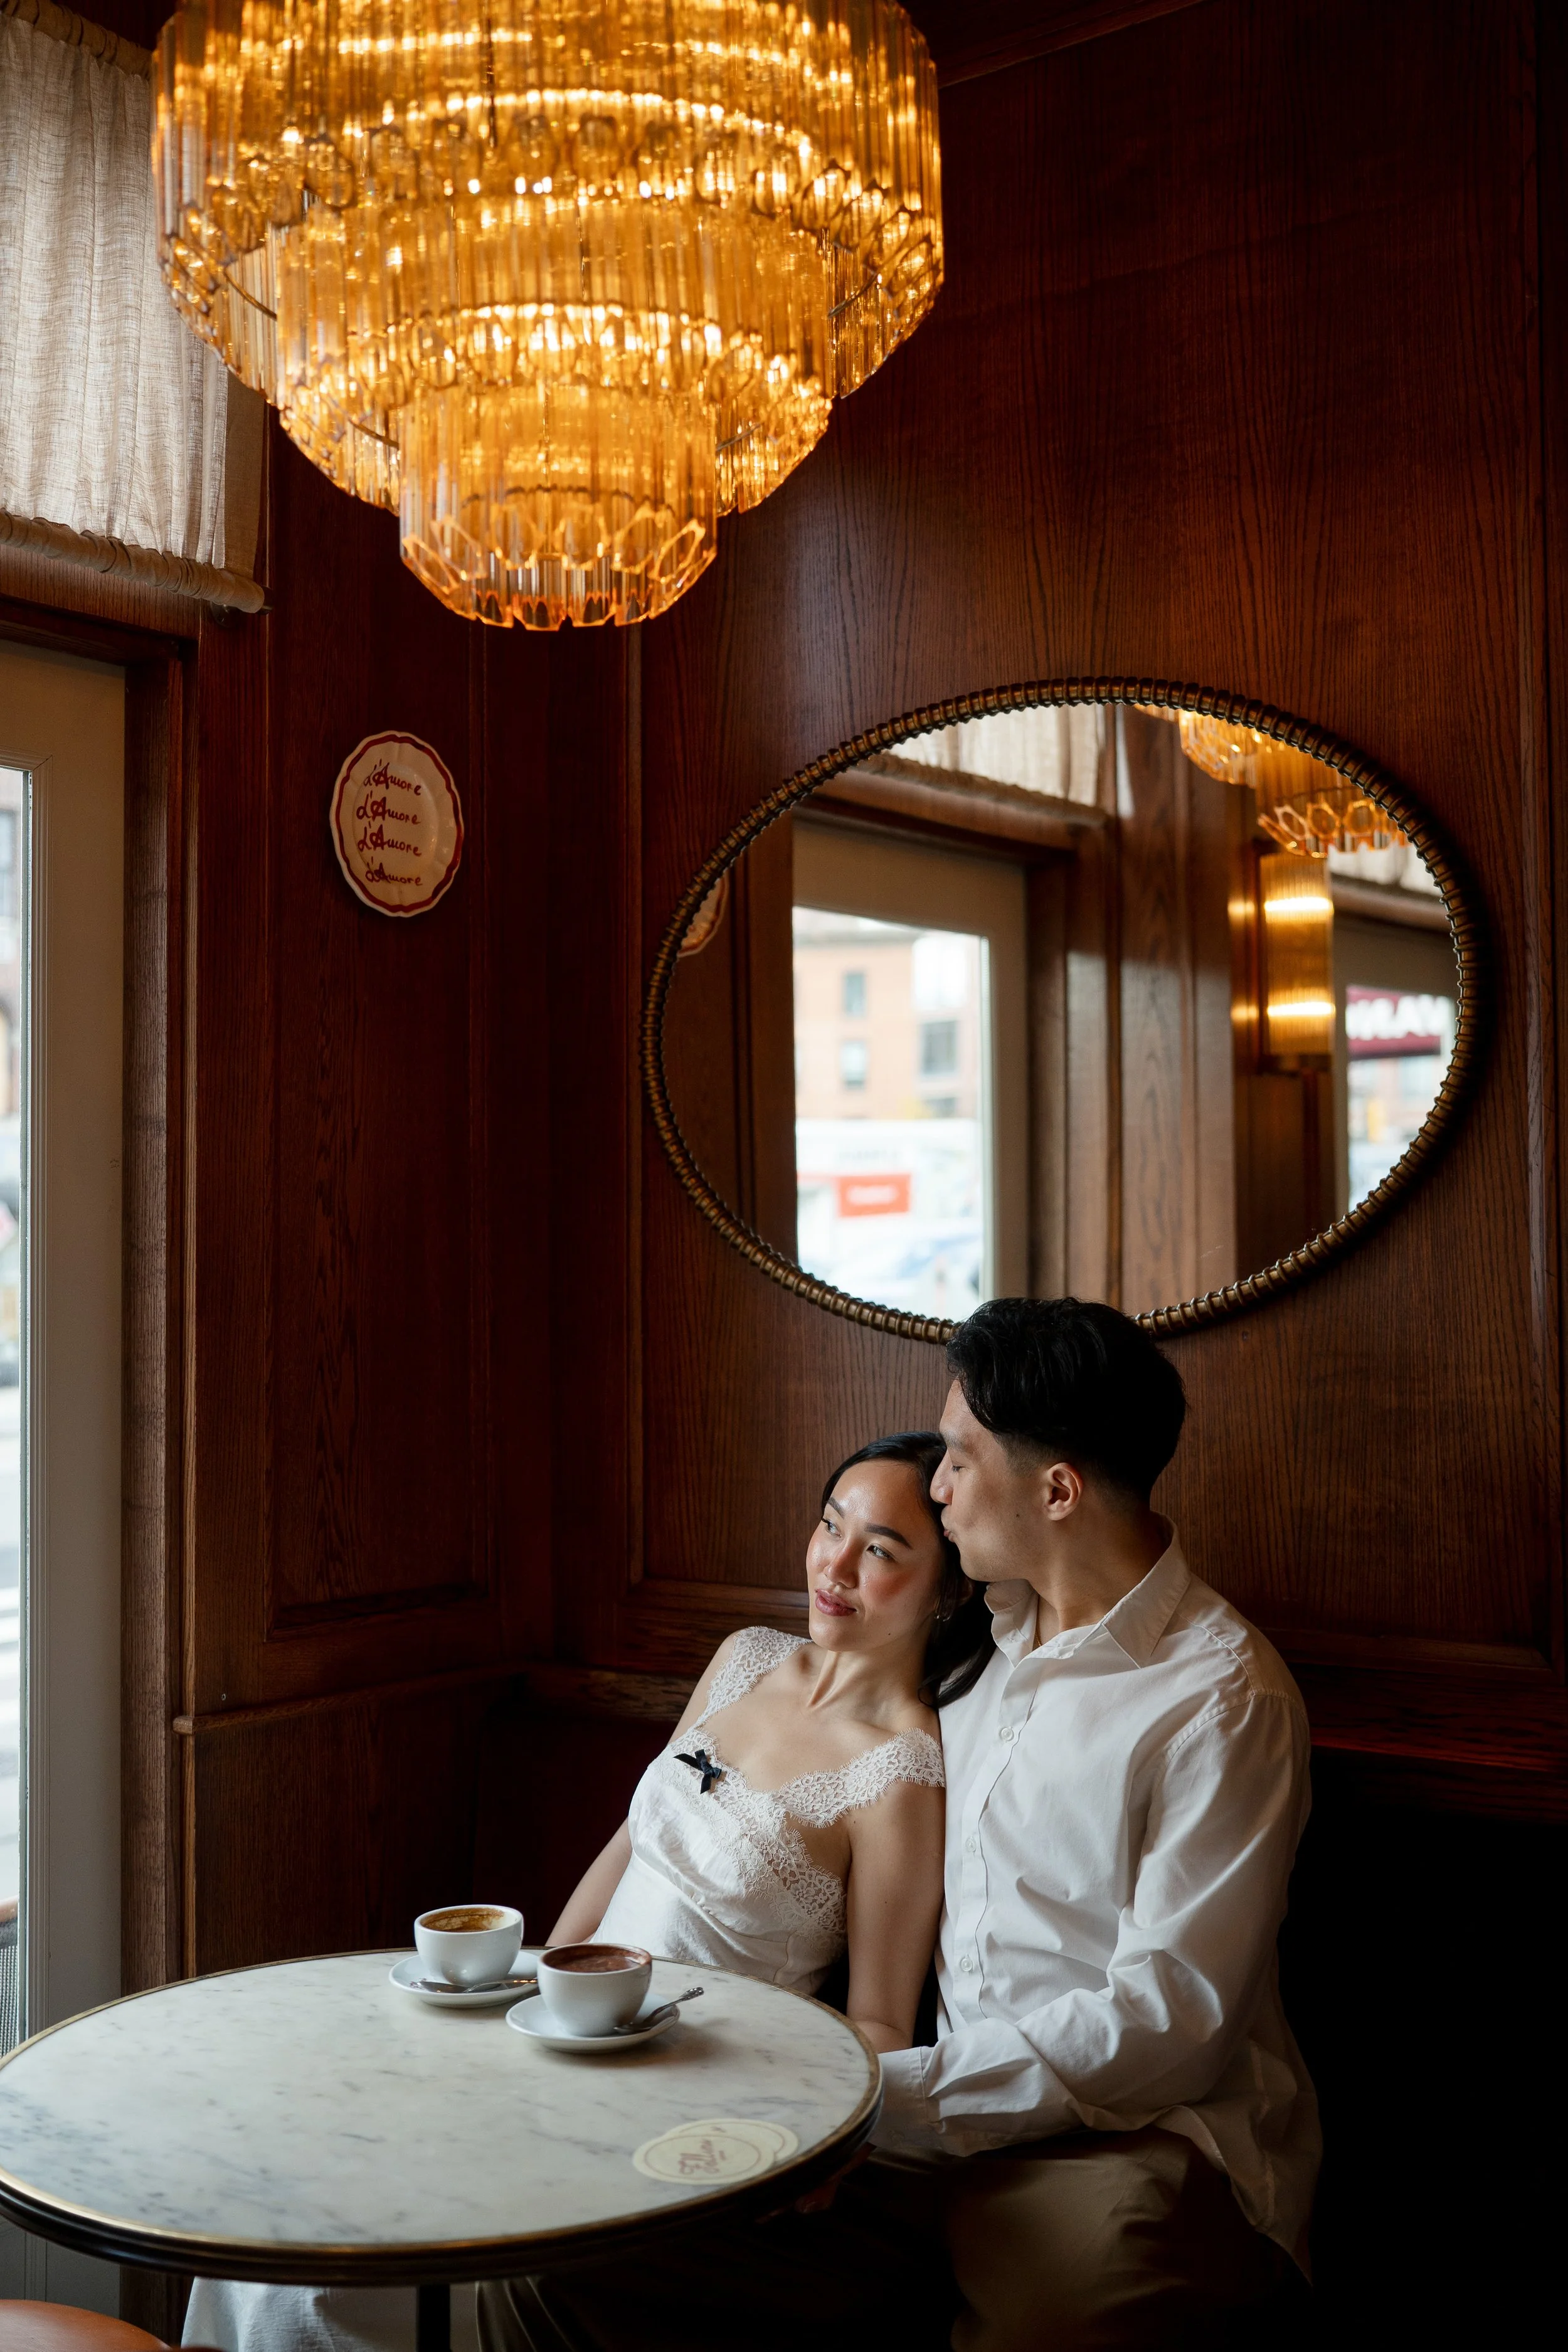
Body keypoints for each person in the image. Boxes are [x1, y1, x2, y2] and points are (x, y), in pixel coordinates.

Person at [479, 1296, 1319, 2352]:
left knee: (1050, 2316)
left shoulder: (1220, 1698)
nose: (942, 1482)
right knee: (561, 2261)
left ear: (1057, 1489)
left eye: (962, 1458)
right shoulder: (975, 1652)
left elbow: (1169, 2027)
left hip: (1143, 2138)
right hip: (929, 2119)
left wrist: (872, 2096)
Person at [184, 1432, 993, 2352]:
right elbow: (627, 1843)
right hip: (550, 2035)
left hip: (679, 2090)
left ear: (952, 1585)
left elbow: (883, 2022)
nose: (834, 1563)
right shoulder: (744, 1657)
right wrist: (520, 1990)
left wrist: (815, 2138)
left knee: (372, 2262)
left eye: (880, 1549)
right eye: (828, 1524)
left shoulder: (901, 1770)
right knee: (277, 2200)